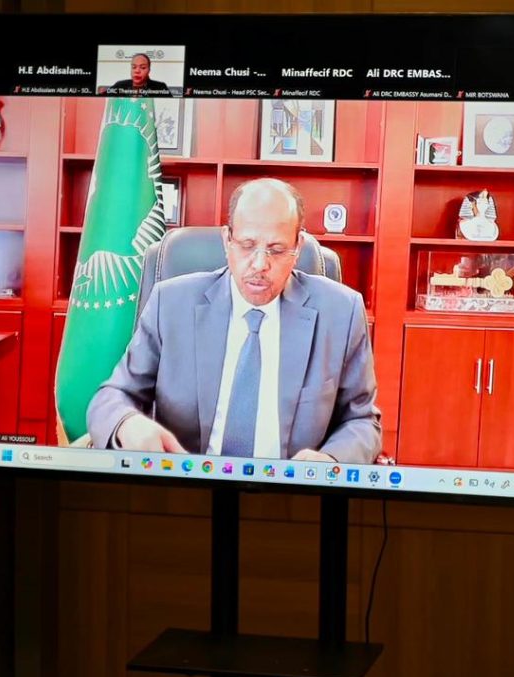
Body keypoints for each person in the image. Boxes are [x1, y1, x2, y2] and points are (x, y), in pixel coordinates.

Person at [86, 178, 382, 464]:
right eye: (247, 245)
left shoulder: (341, 312)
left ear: (297, 248)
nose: (260, 264)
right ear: (227, 241)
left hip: (290, 490)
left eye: (277, 249)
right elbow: (112, 396)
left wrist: (330, 460)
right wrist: (127, 424)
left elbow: (362, 420)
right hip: (186, 483)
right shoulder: (171, 304)